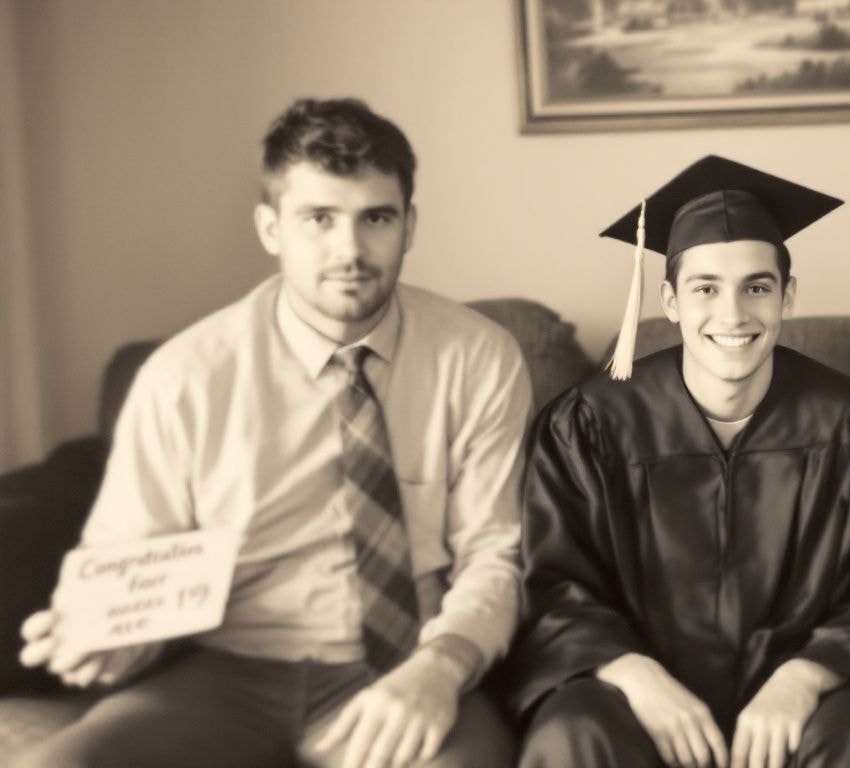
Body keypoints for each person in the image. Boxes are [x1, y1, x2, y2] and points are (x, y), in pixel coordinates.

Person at [15, 98, 530, 768]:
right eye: (319, 219)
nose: (349, 250)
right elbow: (132, 565)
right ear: (270, 228)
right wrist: (105, 639)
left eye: (376, 217)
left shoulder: (481, 357)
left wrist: (440, 670)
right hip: (229, 671)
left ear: (409, 225)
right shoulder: (184, 377)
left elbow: (496, 555)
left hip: (410, 664)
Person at [504, 155, 850, 768]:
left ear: (787, 296)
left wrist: (807, 677)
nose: (734, 314)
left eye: (757, 287)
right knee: (573, 735)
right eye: (706, 288)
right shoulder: (588, 425)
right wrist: (634, 676)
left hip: (809, 693)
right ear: (670, 300)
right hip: (635, 693)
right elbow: (547, 584)